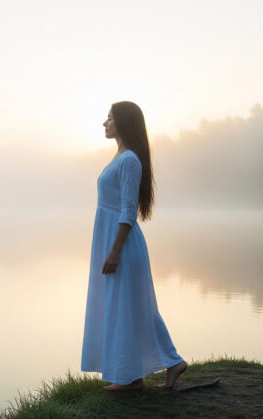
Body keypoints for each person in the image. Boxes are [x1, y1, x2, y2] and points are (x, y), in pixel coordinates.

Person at [80, 101, 188, 391]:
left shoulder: (129, 160)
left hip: (123, 245)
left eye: (110, 118)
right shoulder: (121, 157)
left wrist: (115, 251)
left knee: (131, 308)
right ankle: (137, 375)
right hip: (114, 241)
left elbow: (128, 210)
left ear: (123, 123)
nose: (105, 123)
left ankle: (144, 373)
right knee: (128, 308)